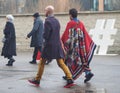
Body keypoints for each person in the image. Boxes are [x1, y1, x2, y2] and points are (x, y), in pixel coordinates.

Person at [28, 5, 74, 88]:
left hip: (49, 46)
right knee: (61, 63)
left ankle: (37, 80)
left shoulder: (47, 21)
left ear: (48, 12)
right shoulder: (56, 21)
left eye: (45, 11)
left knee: (42, 62)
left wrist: (43, 39)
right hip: (57, 45)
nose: (44, 12)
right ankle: (69, 78)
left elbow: (46, 35)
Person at [61, 8, 96, 83]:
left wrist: (61, 40)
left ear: (70, 15)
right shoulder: (81, 23)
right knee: (83, 61)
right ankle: (88, 73)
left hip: (73, 48)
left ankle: (68, 75)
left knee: (68, 60)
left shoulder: (70, 23)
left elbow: (66, 35)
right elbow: (85, 35)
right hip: (81, 48)